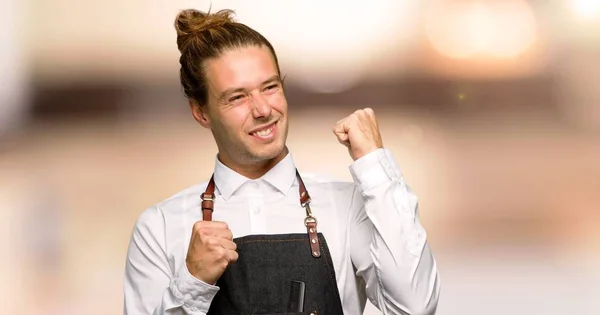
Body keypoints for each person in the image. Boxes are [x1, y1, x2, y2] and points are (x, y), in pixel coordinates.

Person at [124, 8, 440, 315]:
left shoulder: (346, 206)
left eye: (270, 87)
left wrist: (375, 165)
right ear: (201, 112)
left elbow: (414, 307)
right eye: (237, 97)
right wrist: (192, 282)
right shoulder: (161, 227)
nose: (262, 109)